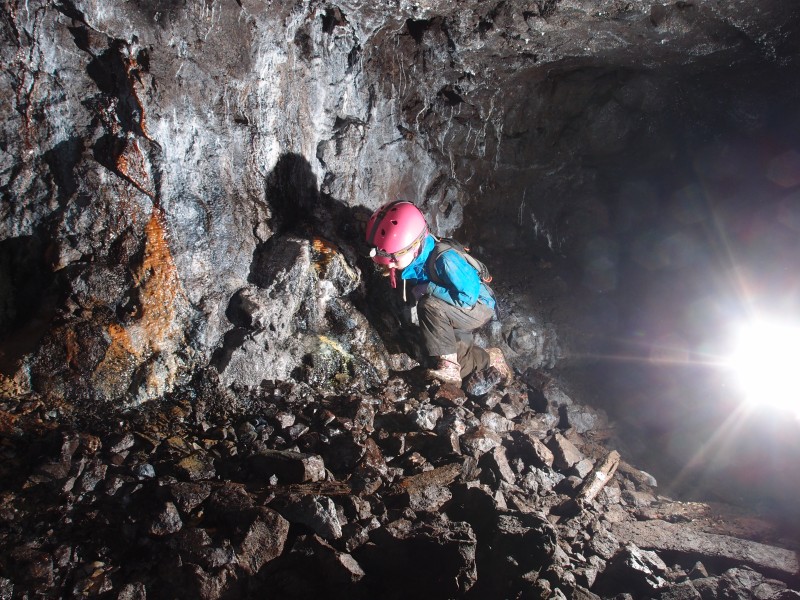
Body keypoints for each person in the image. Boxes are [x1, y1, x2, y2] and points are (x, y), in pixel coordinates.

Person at [365, 200, 512, 386]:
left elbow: (468, 298)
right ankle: (491, 358)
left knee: (429, 305)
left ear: (414, 246)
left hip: (477, 306)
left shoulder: (446, 260)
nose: (390, 264)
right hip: (452, 305)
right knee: (464, 367)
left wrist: (428, 289)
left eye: (393, 259)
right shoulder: (416, 259)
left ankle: (449, 366)